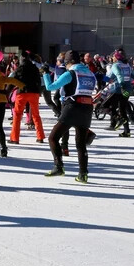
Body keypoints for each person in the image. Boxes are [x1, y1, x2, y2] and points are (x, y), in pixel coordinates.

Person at [43, 50, 95, 182]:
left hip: (72, 107)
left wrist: (45, 74)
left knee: (53, 138)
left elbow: (50, 87)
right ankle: (83, 174)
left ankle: (58, 167)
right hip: (87, 108)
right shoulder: (89, 73)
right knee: (80, 144)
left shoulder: (71, 73)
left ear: (68, 62)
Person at [9, 51, 46, 144]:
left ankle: (15, 138)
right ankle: (40, 136)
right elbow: (39, 80)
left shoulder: (19, 69)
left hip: (22, 93)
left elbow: (13, 81)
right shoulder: (35, 68)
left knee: (17, 115)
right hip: (34, 93)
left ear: (21, 59)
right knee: (36, 115)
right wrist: (38, 91)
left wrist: (6, 92)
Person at [105, 51, 133, 137]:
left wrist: (98, 77)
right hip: (127, 90)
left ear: (116, 58)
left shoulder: (115, 65)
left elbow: (117, 75)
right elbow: (133, 75)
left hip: (118, 89)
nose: (112, 58)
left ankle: (119, 119)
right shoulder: (127, 65)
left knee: (105, 105)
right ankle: (126, 132)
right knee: (122, 109)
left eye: (113, 57)